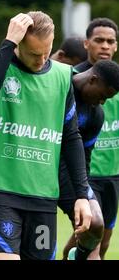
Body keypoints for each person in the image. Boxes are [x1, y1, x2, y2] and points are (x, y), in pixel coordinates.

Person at [0, 11, 92, 260]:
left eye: (46, 52)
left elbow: (71, 137)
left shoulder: (61, 76)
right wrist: (8, 44)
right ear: (17, 45)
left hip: (43, 197)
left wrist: (81, 195)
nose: (41, 60)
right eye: (34, 54)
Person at [58, 60, 119, 260]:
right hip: (36, 165)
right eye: (103, 96)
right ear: (93, 79)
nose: (102, 102)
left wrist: (83, 191)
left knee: (95, 223)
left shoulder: (95, 114)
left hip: (67, 171)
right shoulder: (58, 83)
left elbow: (84, 156)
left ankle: (78, 255)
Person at [72, 18, 119, 259]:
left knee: (101, 240)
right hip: (86, 176)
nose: (105, 46)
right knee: (94, 245)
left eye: (110, 41)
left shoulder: (115, 83)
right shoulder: (71, 79)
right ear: (86, 43)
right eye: (99, 40)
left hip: (113, 176)